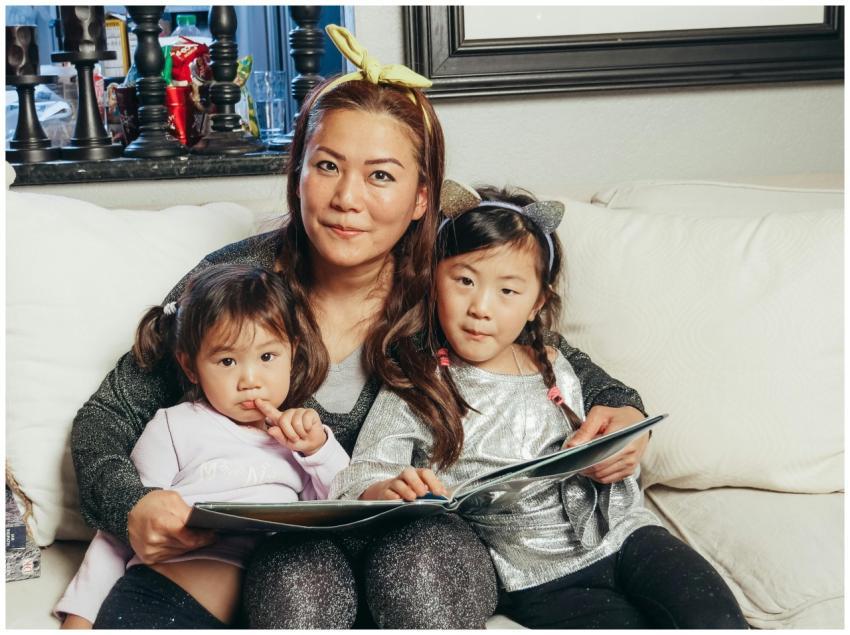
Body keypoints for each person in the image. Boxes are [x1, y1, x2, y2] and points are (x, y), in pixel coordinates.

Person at [70, 25, 649, 628]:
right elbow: (107, 418)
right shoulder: (237, 281)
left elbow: (569, 371)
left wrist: (625, 416)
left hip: (425, 543)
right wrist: (130, 505)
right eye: (327, 166)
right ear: (296, 173)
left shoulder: (453, 288)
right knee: (296, 570)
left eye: (380, 176)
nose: (348, 197)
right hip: (287, 550)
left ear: (422, 196)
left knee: (421, 558)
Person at [331, 183, 749, 629]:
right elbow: (366, 470)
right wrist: (388, 491)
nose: (481, 308)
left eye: (508, 291)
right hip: (539, 575)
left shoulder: (556, 361)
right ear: (434, 283)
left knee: (715, 616)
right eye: (465, 281)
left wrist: (620, 440)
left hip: (629, 536)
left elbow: (620, 408)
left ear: (537, 304)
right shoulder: (416, 385)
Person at [56, 264, 349, 628]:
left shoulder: (303, 440)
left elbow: (343, 510)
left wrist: (318, 450)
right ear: (191, 367)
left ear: (293, 352)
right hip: (158, 601)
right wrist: (80, 619)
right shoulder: (174, 427)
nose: (250, 380)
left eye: (267, 357)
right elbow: (126, 529)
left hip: (269, 609)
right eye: (227, 361)